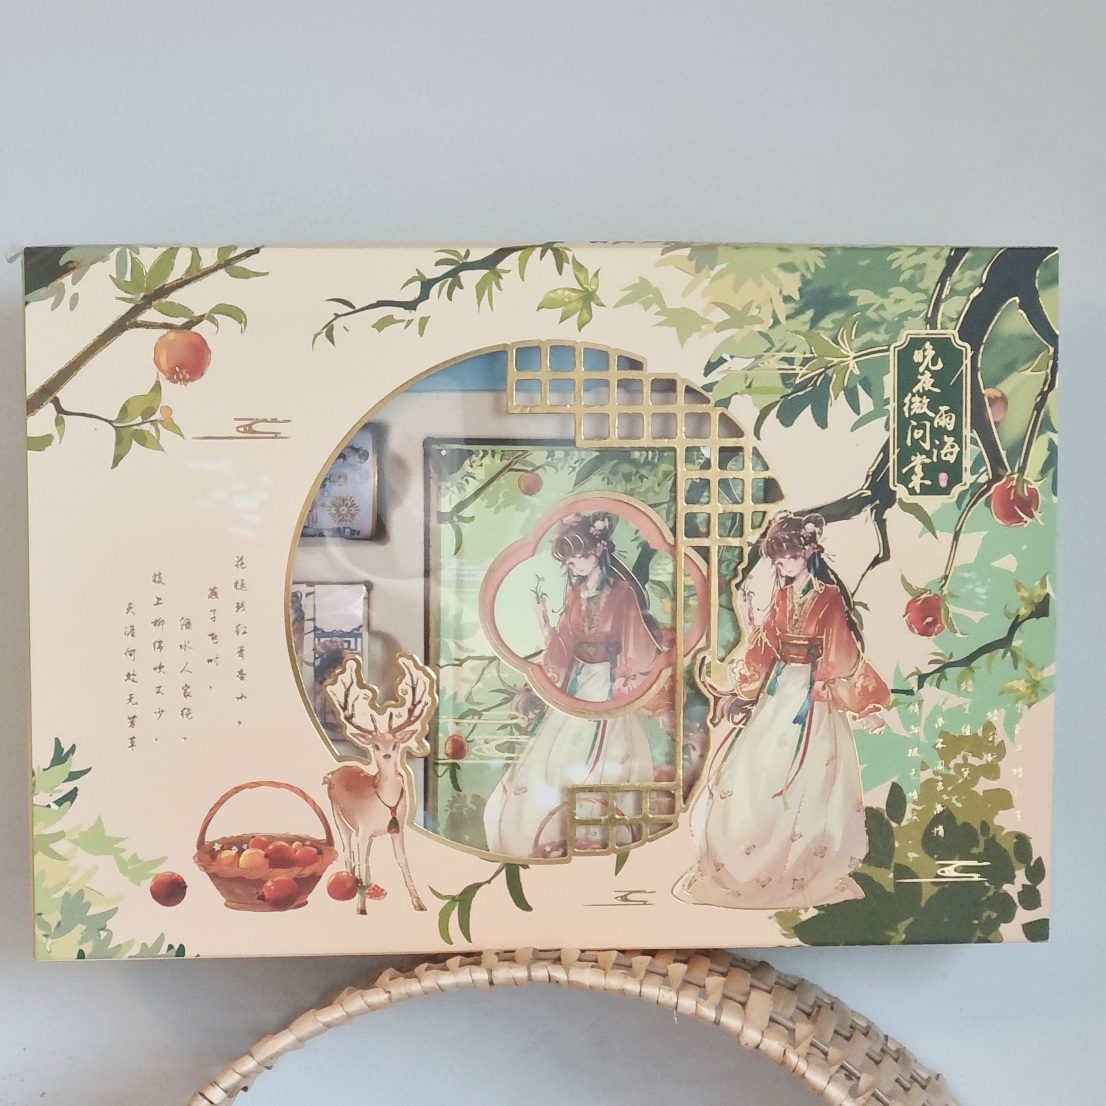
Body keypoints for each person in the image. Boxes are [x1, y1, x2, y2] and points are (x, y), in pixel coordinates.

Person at [675, 511, 890, 909]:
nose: (784, 566)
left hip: (813, 692)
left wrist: (862, 705)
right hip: (780, 687)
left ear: (808, 553)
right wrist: (739, 683)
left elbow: (841, 650)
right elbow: (765, 644)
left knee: (810, 777)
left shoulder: (828, 597)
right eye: (778, 560)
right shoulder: (783, 597)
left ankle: (800, 866)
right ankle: (749, 862)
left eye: (789, 558)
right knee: (756, 769)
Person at [484, 512, 670, 858]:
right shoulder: (574, 594)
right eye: (571, 562)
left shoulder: (622, 593)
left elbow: (635, 642)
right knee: (554, 756)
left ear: (599, 549)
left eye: (582, 556)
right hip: (578, 682)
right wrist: (544, 624)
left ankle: (595, 835)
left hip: (612, 682)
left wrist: (637, 687)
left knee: (607, 757)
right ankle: (546, 835)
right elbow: (565, 644)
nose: (578, 566)